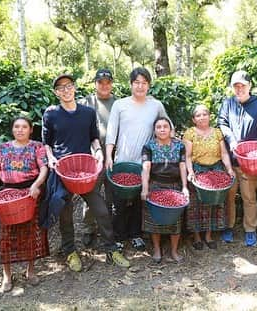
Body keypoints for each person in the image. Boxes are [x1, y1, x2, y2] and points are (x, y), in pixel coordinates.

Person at [41, 73, 129, 272]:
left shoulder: (88, 112)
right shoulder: (51, 113)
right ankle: (70, 251)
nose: (66, 90)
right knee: (66, 213)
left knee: (101, 209)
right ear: (56, 93)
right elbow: (46, 143)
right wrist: (51, 157)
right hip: (63, 170)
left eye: (69, 86)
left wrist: (98, 152)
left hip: (85, 169)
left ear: (74, 88)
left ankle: (111, 248)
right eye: (61, 88)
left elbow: (94, 138)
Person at [105, 67, 171, 251]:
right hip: (122, 160)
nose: (140, 86)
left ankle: (135, 234)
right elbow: (112, 131)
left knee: (137, 201)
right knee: (119, 202)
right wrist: (109, 156)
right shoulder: (120, 104)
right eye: (137, 83)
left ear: (149, 85)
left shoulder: (155, 105)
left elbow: (166, 125)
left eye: (144, 83)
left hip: (144, 162)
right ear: (130, 84)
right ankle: (118, 236)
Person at [0, 116, 49, 292]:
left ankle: (31, 271)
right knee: (6, 236)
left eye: (24, 127)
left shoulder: (37, 146)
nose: (20, 130)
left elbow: (44, 168)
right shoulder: (3, 148)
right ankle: (6, 275)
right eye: (16, 127)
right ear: (12, 129)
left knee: (31, 234)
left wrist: (36, 185)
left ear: (30, 129)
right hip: (8, 194)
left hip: (29, 194)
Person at [217, 70, 257, 246]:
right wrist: (231, 139)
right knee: (229, 196)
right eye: (236, 86)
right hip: (230, 160)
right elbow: (222, 123)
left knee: (249, 196)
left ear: (249, 86)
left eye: (242, 85)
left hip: (251, 161)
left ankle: (250, 229)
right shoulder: (227, 104)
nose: (239, 89)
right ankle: (228, 226)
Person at [183, 104, 235, 250]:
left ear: (209, 116)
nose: (202, 117)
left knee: (214, 203)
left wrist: (229, 169)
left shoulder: (217, 132)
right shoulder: (190, 133)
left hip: (216, 170)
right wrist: (191, 172)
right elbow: (187, 156)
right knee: (196, 204)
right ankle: (197, 236)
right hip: (198, 170)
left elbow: (224, 153)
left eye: (204, 114)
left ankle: (208, 235)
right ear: (193, 119)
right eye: (198, 115)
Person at [141, 117, 189, 263]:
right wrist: (145, 188)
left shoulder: (179, 146)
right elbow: (146, 167)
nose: (162, 129)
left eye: (165, 127)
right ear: (154, 131)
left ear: (170, 129)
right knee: (154, 220)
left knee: (175, 220)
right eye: (158, 127)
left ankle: (174, 250)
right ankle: (157, 249)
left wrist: (185, 187)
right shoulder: (148, 146)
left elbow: (182, 166)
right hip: (155, 185)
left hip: (174, 186)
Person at [79, 68, 116, 247]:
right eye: (100, 82)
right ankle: (88, 228)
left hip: (115, 154)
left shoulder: (118, 103)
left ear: (111, 84)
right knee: (91, 193)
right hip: (92, 155)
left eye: (107, 82)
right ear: (95, 83)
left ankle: (107, 228)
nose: (104, 85)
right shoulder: (86, 102)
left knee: (111, 193)